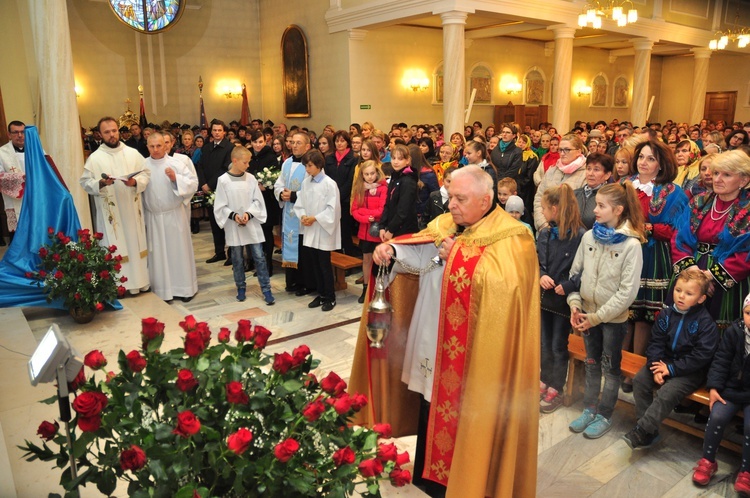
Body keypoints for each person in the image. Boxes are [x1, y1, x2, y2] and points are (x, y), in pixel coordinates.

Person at [352, 165, 540, 498]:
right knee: (430, 401)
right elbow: (421, 249)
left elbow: (507, 287)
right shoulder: (445, 224)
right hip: (432, 337)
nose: (451, 204)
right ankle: (429, 473)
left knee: (466, 410)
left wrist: (459, 257)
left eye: (460, 198)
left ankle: (468, 476)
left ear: (486, 200)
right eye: (450, 195)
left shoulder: (514, 236)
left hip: (477, 351)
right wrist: (393, 250)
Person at [567, 182, 646, 439]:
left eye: (601, 206)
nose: (595, 210)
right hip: (586, 313)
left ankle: (604, 414)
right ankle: (589, 408)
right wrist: (575, 305)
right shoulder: (589, 237)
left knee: (610, 368)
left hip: (611, 320)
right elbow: (575, 274)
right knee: (591, 364)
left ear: (619, 209)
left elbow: (627, 292)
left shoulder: (631, 245)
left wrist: (596, 318)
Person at [624, 268, 718, 450]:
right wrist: (655, 366)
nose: (681, 296)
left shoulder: (706, 323)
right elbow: (655, 342)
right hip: (663, 362)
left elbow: (701, 356)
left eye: (689, 293)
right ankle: (648, 432)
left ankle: (641, 431)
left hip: (690, 371)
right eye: (678, 290)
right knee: (641, 381)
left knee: (666, 393)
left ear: (701, 298)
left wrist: (671, 370)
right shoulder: (666, 314)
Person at [674, 150, 750, 330]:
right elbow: (678, 238)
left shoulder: (747, 209)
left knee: (717, 335)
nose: (717, 179)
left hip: (726, 282)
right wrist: (693, 274)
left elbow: (746, 255)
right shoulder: (699, 201)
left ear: (744, 180)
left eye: (726, 174)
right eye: (716, 173)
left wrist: (710, 276)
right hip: (692, 272)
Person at [80, 116, 151, 294]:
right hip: (111, 214)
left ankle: (141, 282)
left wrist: (134, 182)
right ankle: (119, 286)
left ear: (118, 131)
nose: (112, 135)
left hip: (132, 210)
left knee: (136, 243)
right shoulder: (95, 158)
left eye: (114, 130)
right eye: (107, 132)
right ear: (100, 134)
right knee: (115, 244)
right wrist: (102, 183)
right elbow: (85, 182)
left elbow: (146, 174)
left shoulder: (132, 153)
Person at [692, 292, 750, 492]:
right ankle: (708, 460)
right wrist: (714, 387)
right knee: (716, 416)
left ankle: (746, 471)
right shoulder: (735, 331)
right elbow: (721, 360)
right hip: (731, 389)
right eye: (748, 313)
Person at [538, 184, 587, 413]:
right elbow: (537, 263)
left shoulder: (580, 236)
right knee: (543, 343)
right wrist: (541, 276)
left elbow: (584, 269)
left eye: (544, 208)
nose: (543, 212)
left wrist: (568, 285)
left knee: (559, 345)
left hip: (564, 301)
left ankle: (557, 385)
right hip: (545, 298)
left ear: (555, 209)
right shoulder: (545, 233)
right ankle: (544, 379)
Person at [214, 146, 275, 305]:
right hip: (234, 224)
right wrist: (234, 216)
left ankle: (266, 288)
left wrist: (248, 214)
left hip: (251, 222)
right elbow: (220, 205)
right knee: (237, 258)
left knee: (259, 257)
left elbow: (258, 201)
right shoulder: (223, 180)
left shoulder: (251, 178)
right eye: (245, 162)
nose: (248, 165)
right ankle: (240, 287)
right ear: (235, 161)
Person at [141, 133, 198, 302]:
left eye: (159, 145)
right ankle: (162, 290)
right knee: (158, 255)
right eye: (152, 146)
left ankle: (184, 289)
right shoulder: (142, 165)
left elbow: (193, 183)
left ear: (166, 146)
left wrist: (176, 179)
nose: (156, 149)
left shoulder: (176, 164)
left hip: (174, 215)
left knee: (178, 253)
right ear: (147, 146)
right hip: (154, 218)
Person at [293, 150, 341, 312]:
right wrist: (304, 216)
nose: (307, 169)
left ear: (319, 165)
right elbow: (300, 203)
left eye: (310, 165)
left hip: (323, 229)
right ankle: (320, 294)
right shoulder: (306, 183)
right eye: (306, 165)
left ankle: (330, 296)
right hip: (310, 228)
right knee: (314, 263)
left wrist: (315, 218)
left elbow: (332, 209)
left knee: (324, 264)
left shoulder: (329, 184)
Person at [274, 131, 313, 293]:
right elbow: (279, 183)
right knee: (290, 245)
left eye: (298, 143)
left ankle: (305, 283)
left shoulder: (311, 164)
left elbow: (314, 189)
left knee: (303, 250)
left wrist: (294, 195)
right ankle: (292, 281)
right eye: (292, 142)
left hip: (303, 215)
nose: (294, 145)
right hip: (289, 212)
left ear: (307, 146)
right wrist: (281, 194)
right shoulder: (287, 163)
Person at [350, 160, 387, 303]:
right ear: (362, 176)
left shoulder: (383, 188)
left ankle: (379, 289)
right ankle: (366, 289)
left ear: (377, 173)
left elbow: (382, 209)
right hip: (365, 230)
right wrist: (367, 217)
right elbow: (355, 210)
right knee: (366, 259)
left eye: (372, 173)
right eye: (367, 174)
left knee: (379, 261)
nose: (370, 177)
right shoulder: (360, 189)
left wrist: (369, 214)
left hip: (377, 232)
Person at [197, 120, 234, 264]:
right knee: (214, 222)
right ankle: (219, 252)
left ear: (224, 132)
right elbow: (200, 166)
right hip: (208, 190)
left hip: (223, 189)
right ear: (211, 132)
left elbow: (226, 168)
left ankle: (231, 254)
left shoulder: (229, 148)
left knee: (227, 222)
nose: (217, 133)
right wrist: (203, 184)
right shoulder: (206, 148)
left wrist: (210, 184)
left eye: (220, 130)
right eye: (215, 130)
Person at [533, 134, 587, 230]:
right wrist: (543, 225)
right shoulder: (552, 170)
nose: (562, 153)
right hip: (545, 229)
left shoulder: (585, 174)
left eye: (567, 150)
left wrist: (563, 230)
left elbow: (581, 209)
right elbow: (539, 198)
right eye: (560, 149)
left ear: (578, 151)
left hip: (569, 232)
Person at [324, 130, 358, 256]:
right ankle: (337, 258)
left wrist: (338, 196)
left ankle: (348, 258)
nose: (339, 143)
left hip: (344, 201)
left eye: (342, 141)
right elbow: (326, 178)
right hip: (331, 200)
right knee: (333, 231)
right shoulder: (329, 158)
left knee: (344, 231)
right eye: (337, 141)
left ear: (347, 142)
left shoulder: (354, 159)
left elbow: (350, 182)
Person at [379, 144, 418, 241]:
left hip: (404, 229)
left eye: (400, 159)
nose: (396, 162)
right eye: (393, 158)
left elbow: (403, 210)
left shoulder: (408, 180)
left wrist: (391, 230)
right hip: (392, 226)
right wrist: (382, 226)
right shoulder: (395, 176)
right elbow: (388, 204)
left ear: (407, 160)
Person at [0, 121, 27, 241]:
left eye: (22, 132)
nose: (20, 135)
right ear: (9, 134)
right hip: (15, 199)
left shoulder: (36, 150)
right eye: (15, 132)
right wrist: (22, 178)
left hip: (35, 196)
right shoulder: (2, 152)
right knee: (17, 236)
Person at [574, 153, 614, 229]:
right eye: (588, 169)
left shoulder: (610, 197)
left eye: (596, 169)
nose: (590, 174)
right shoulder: (574, 194)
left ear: (607, 175)